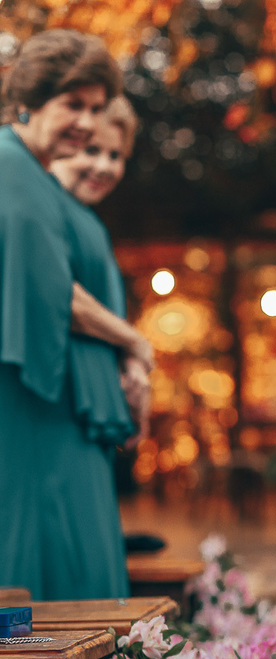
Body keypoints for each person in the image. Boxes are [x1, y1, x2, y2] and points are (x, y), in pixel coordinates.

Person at [0, 30, 141, 600]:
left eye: (95, 108)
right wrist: (138, 344)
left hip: (50, 391)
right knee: (42, 548)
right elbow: (52, 291)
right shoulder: (12, 167)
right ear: (30, 100)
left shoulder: (28, 171)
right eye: (73, 106)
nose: (86, 123)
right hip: (32, 391)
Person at [49, 95, 154, 449]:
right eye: (91, 151)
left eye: (116, 156)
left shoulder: (92, 224)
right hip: (56, 399)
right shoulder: (46, 207)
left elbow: (107, 317)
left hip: (93, 402)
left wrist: (132, 364)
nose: (104, 167)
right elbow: (59, 295)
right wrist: (136, 343)